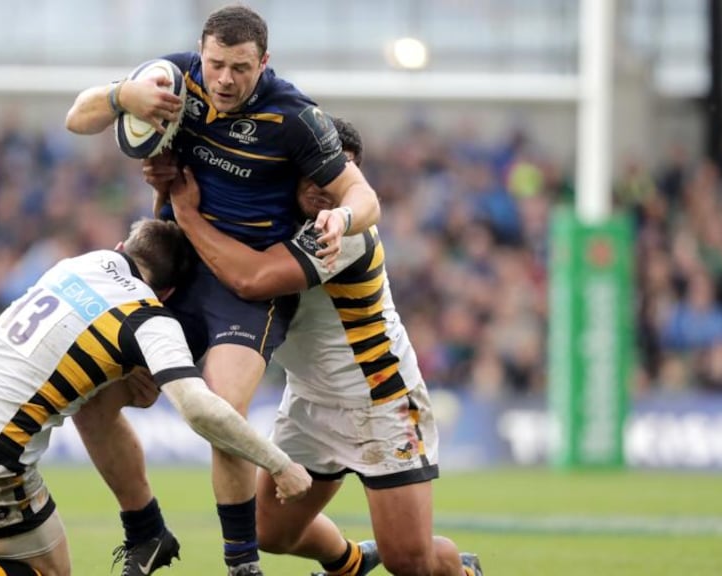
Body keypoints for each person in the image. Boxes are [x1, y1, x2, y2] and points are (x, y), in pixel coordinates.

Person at [77, 118, 485, 576]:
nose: (325, 190)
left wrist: (189, 214)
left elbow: (252, 281)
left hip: (380, 398)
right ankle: (350, 563)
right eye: (318, 173)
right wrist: (163, 177)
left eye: (340, 178)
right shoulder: (268, 213)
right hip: (310, 400)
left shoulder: (343, 233)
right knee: (269, 532)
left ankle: (461, 570)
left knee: (409, 561)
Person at [66, 6, 381, 575]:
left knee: (222, 408)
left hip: (248, 287)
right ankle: (145, 531)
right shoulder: (172, 82)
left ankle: (241, 564)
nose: (226, 80)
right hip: (174, 276)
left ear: (264, 62)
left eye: (241, 67)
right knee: (93, 402)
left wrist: (344, 220)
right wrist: (122, 96)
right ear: (201, 54)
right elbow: (77, 118)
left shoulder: (295, 116)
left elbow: (363, 194)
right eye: (216, 65)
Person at [0, 218, 312, 576]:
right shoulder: (150, 317)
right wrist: (278, 463)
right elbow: (199, 407)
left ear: (124, 247)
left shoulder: (79, 263)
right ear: (166, 291)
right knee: (50, 573)